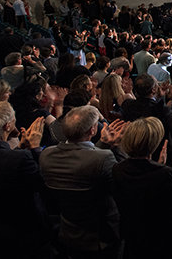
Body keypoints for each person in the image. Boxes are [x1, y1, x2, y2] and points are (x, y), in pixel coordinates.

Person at [39, 106, 127, 259]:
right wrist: (118, 147)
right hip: (101, 236)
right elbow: (122, 185)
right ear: (93, 130)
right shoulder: (104, 158)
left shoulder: (46, 155)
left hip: (68, 232)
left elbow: (81, 162)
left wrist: (103, 143)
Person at [112, 117, 172, 259]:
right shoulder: (163, 173)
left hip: (133, 236)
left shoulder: (117, 169)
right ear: (153, 144)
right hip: (163, 238)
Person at [0, 102, 49, 258]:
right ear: (7, 126)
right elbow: (43, 185)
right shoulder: (19, 158)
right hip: (21, 233)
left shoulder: (16, 157)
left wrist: (20, 149)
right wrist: (35, 148)